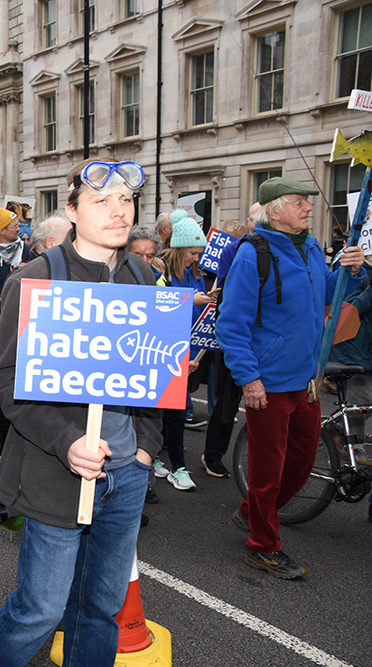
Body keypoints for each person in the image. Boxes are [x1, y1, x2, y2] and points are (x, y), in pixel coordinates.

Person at [0, 159, 162, 667]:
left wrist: (146, 445)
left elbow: (159, 369)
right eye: (102, 201)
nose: (119, 211)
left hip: (126, 474)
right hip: (57, 472)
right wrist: (66, 442)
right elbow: (3, 380)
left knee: (100, 608)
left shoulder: (143, 276)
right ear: (72, 211)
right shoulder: (33, 280)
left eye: (126, 200)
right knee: (39, 610)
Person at [217, 177, 365, 579]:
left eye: (307, 202)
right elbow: (231, 325)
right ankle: (263, 546)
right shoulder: (252, 255)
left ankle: (251, 512)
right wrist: (249, 378)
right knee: (267, 472)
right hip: (269, 383)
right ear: (275, 209)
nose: (309, 208)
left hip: (310, 380)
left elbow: (329, 293)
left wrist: (351, 271)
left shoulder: (313, 247)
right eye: (300, 202)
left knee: (300, 464)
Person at [152, 217, 215, 492]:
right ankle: (153, 456)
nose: (196, 258)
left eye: (199, 254)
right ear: (179, 249)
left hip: (184, 348)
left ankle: (178, 466)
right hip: (160, 348)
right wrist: (191, 299)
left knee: (176, 412)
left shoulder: (195, 273)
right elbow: (155, 304)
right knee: (154, 410)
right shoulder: (160, 270)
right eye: (192, 253)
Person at [202, 202, 261, 478]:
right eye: (255, 218)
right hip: (239, 338)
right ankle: (214, 455)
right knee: (227, 403)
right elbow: (227, 293)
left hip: (267, 344)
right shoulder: (235, 250)